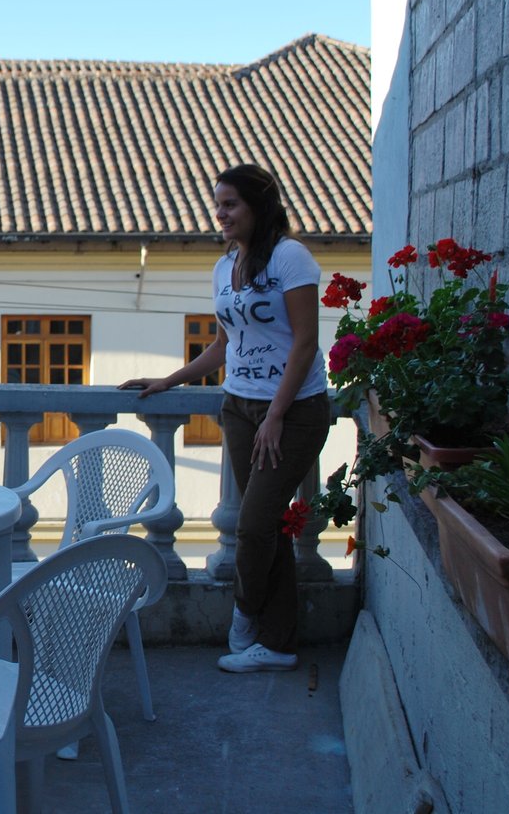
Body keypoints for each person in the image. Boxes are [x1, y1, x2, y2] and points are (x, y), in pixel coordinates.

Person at [120, 164, 331, 674]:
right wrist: (168, 380)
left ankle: (244, 612)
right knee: (269, 528)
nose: (221, 213)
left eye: (231, 204)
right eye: (218, 204)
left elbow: (305, 343)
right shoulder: (224, 267)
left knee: (256, 524)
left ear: (259, 206)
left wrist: (277, 413)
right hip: (238, 407)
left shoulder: (290, 258)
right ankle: (277, 644)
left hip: (294, 409)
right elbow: (222, 345)